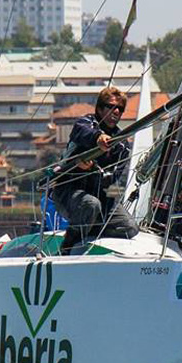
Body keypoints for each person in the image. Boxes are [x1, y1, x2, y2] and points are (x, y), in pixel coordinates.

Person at [51, 86, 139, 255]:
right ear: (99, 108)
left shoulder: (121, 145)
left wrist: (92, 169)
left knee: (130, 227)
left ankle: (88, 229)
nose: (116, 112)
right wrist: (98, 139)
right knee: (91, 204)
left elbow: (112, 179)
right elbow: (83, 132)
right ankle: (67, 247)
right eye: (110, 107)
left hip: (101, 198)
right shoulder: (84, 123)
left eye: (120, 109)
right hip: (69, 193)